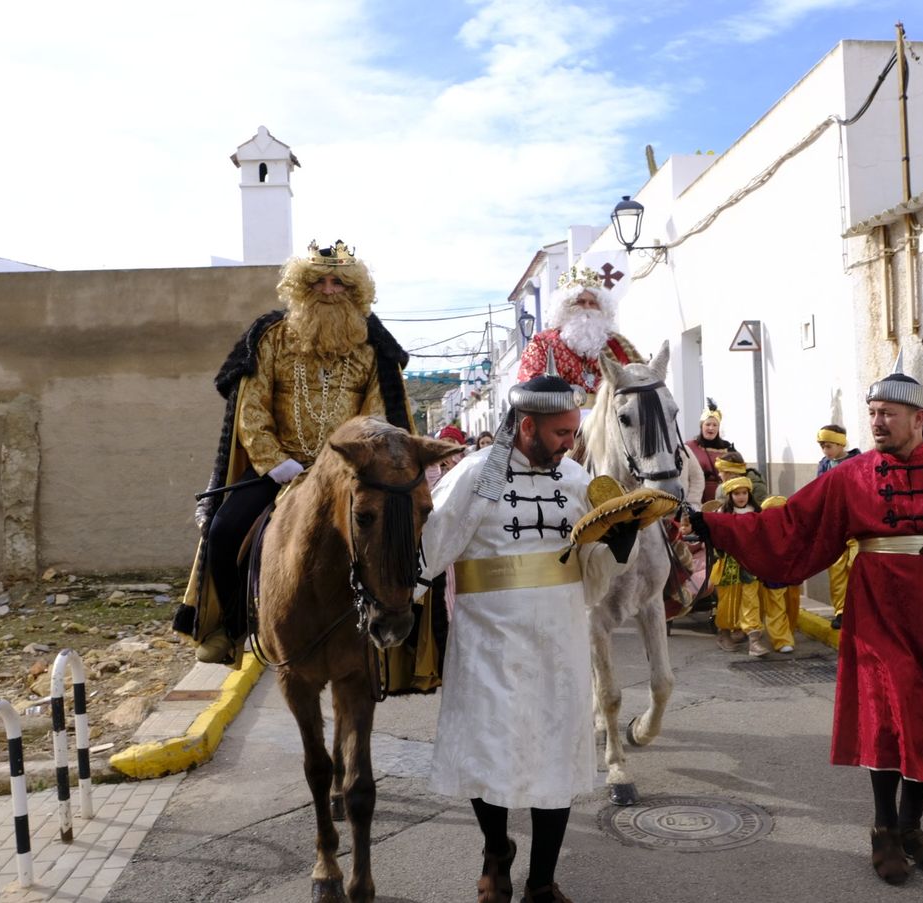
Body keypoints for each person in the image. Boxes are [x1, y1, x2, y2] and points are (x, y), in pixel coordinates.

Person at [689, 366, 923, 886]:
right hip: (877, 609)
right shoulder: (851, 476)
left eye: (887, 413)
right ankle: (883, 830)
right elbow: (791, 524)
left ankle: (912, 829)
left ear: (918, 418)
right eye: (872, 413)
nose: (876, 422)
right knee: (885, 714)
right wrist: (713, 524)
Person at [419, 360, 636, 903]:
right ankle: (497, 851)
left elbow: (593, 566)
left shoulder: (578, 480)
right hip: (486, 642)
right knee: (487, 748)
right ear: (527, 427)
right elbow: (430, 548)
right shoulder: (476, 475)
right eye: (561, 433)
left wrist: (619, 544)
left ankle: (541, 881)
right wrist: (400, 600)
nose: (569, 443)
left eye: (573, 432)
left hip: (559, 639)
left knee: (555, 754)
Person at [175, 240, 415, 668]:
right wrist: (275, 463)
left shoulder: (371, 348)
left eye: (339, 283)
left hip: (346, 472)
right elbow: (251, 410)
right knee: (223, 532)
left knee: (399, 528)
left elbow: (376, 417)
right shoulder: (271, 338)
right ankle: (230, 626)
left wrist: (348, 466)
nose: (329, 290)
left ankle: (403, 621)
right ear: (302, 287)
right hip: (277, 469)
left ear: (354, 290)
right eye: (319, 281)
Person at [515, 265, 640, 399]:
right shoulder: (542, 343)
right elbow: (531, 389)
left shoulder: (617, 345)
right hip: (560, 411)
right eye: (580, 302)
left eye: (593, 303)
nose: (587, 307)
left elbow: (641, 382)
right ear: (564, 307)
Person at [711, 477, 763, 654]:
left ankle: (754, 640)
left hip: (751, 565)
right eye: (736, 494)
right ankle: (724, 633)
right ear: (729, 496)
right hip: (728, 565)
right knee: (727, 603)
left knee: (751, 600)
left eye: (744, 493)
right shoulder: (722, 515)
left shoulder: (757, 514)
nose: (741, 497)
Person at [817, 424, 862, 630]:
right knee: (836, 569)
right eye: (822, 447)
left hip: (854, 522)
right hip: (834, 523)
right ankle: (841, 611)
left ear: (840, 444)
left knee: (856, 564)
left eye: (828, 446)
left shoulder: (857, 462)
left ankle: (858, 607)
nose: (825, 451)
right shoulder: (824, 464)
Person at [749, 495, 797, 656]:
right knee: (775, 605)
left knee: (791, 606)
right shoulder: (761, 532)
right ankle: (781, 639)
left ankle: (786, 633)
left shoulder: (793, 530)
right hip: (772, 576)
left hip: (791, 575)